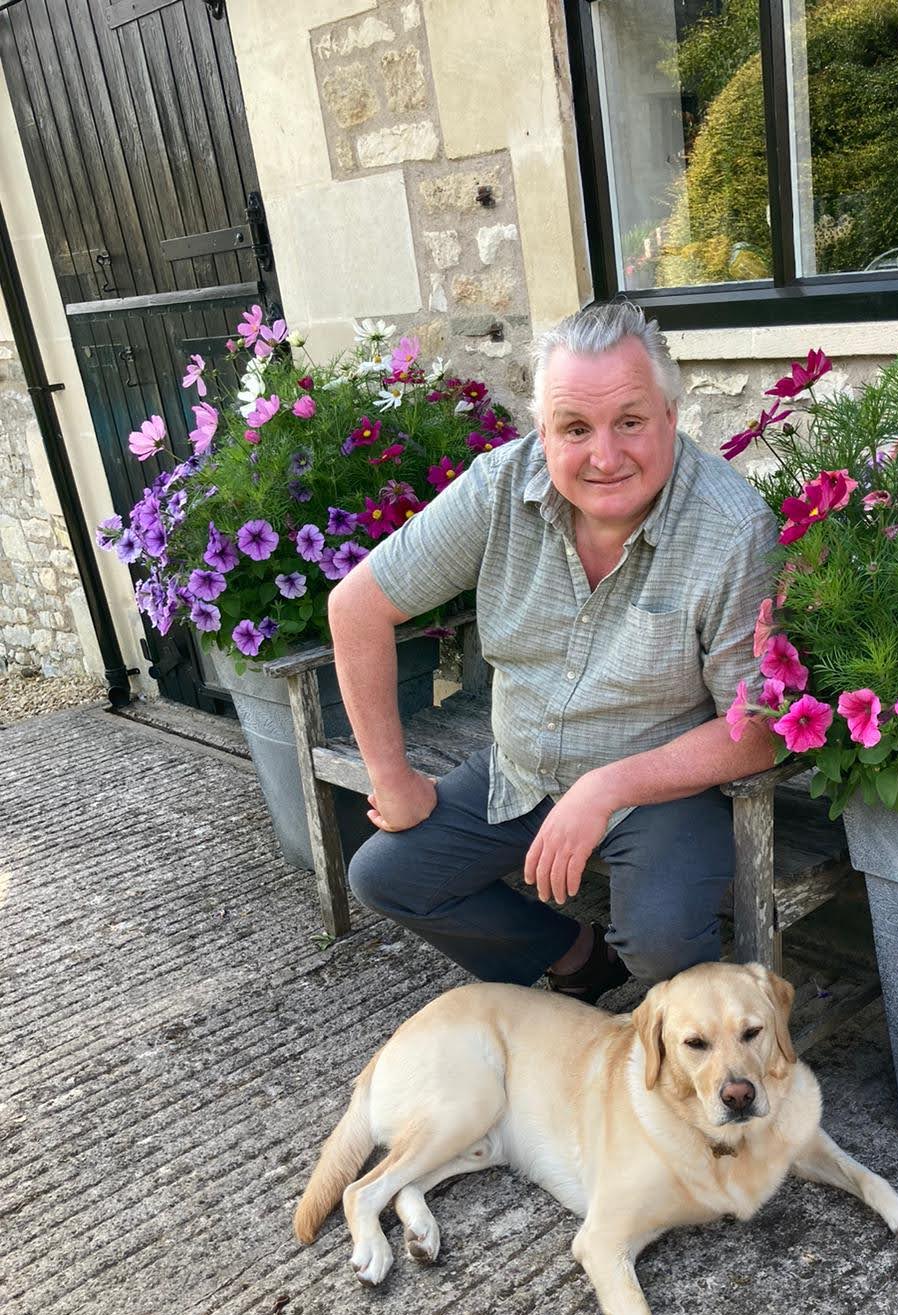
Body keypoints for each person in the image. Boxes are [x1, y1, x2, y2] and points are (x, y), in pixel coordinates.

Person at [328, 299, 778, 1003]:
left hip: (656, 788)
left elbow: (755, 732)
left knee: (662, 941)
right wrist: (392, 778)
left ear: (671, 414)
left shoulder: (732, 529)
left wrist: (606, 788)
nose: (604, 455)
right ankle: (574, 956)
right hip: (522, 770)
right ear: (543, 432)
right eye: (575, 428)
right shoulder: (501, 483)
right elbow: (357, 605)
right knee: (386, 876)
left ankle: (688, 1048)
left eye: (629, 421)